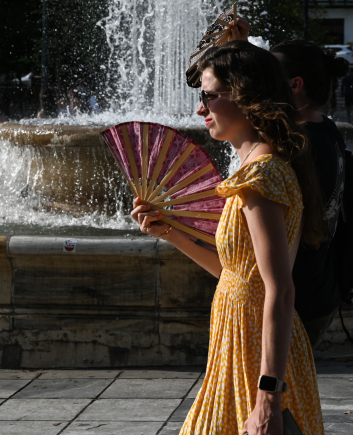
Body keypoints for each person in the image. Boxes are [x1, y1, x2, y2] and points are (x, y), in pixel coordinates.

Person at [132, 40, 325, 435]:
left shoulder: (261, 177)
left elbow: (281, 289)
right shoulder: (261, 169)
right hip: (237, 341)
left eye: (210, 96)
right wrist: (170, 232)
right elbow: (238, 273)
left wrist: (268, 393)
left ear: (246, 97)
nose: (200, 108)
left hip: (256, 349)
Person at [271, 39, 349, 346]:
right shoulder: (325, 130)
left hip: (297, 299)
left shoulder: (301, 145)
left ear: (295, 84)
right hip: (317, 290)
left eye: (270, 73)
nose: (264, 81)